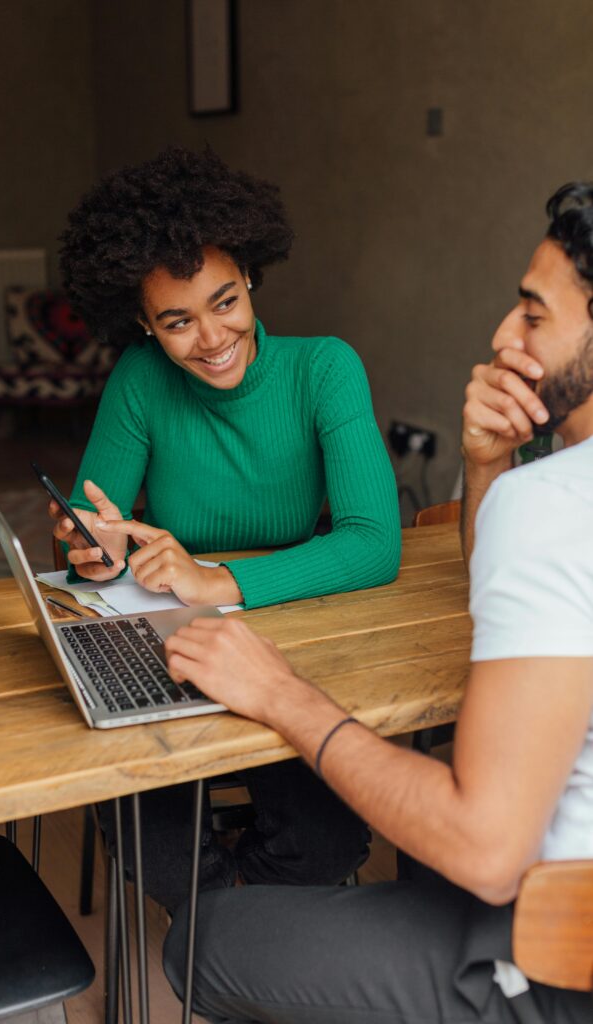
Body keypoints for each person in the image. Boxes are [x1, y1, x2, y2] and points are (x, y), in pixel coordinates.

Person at [162, 182, 593, 1024]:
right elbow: (515, 601)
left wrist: (283, 694)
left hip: (558, 966)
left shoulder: (551, 504)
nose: (503, 336)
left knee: (200, 941)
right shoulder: (537, 501)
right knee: (423, 790)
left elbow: (486, 850)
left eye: (533, 315)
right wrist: (483, 471)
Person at [53, 146, 401, 911]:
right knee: (165, 857)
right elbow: (89, 544)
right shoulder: (141, 382)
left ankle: (231, 932)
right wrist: (95, 551)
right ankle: (231, 938)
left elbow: (374, 541)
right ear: (143, 325)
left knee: (330, 842)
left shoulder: (324, 370)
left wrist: (218, 581)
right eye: (176, 321)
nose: (210, 339)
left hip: (288, 642)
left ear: (250, 277)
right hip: (166, 645)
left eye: (223, 301)